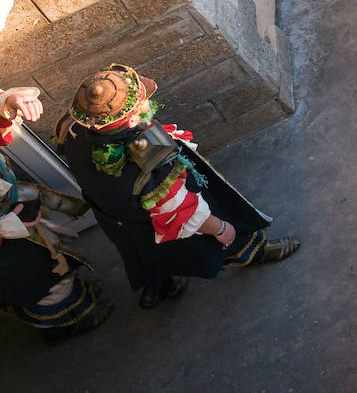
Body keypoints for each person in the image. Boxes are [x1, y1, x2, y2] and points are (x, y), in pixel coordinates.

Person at [54, 64, 300, 309]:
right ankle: (256, 252)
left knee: (144, 253)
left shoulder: (73, 129)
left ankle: (159, 289)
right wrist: (221, 228)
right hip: (156, 216)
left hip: (116, 219)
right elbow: (183, 212)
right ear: (128, 120)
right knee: (223, 233)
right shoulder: (149, 154)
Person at [0, 88, 111, 341]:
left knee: (52, 260)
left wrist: (8, 102)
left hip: (11, 211)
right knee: (37, 279)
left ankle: (73, 297)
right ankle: (67, 323)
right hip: (6, 242)